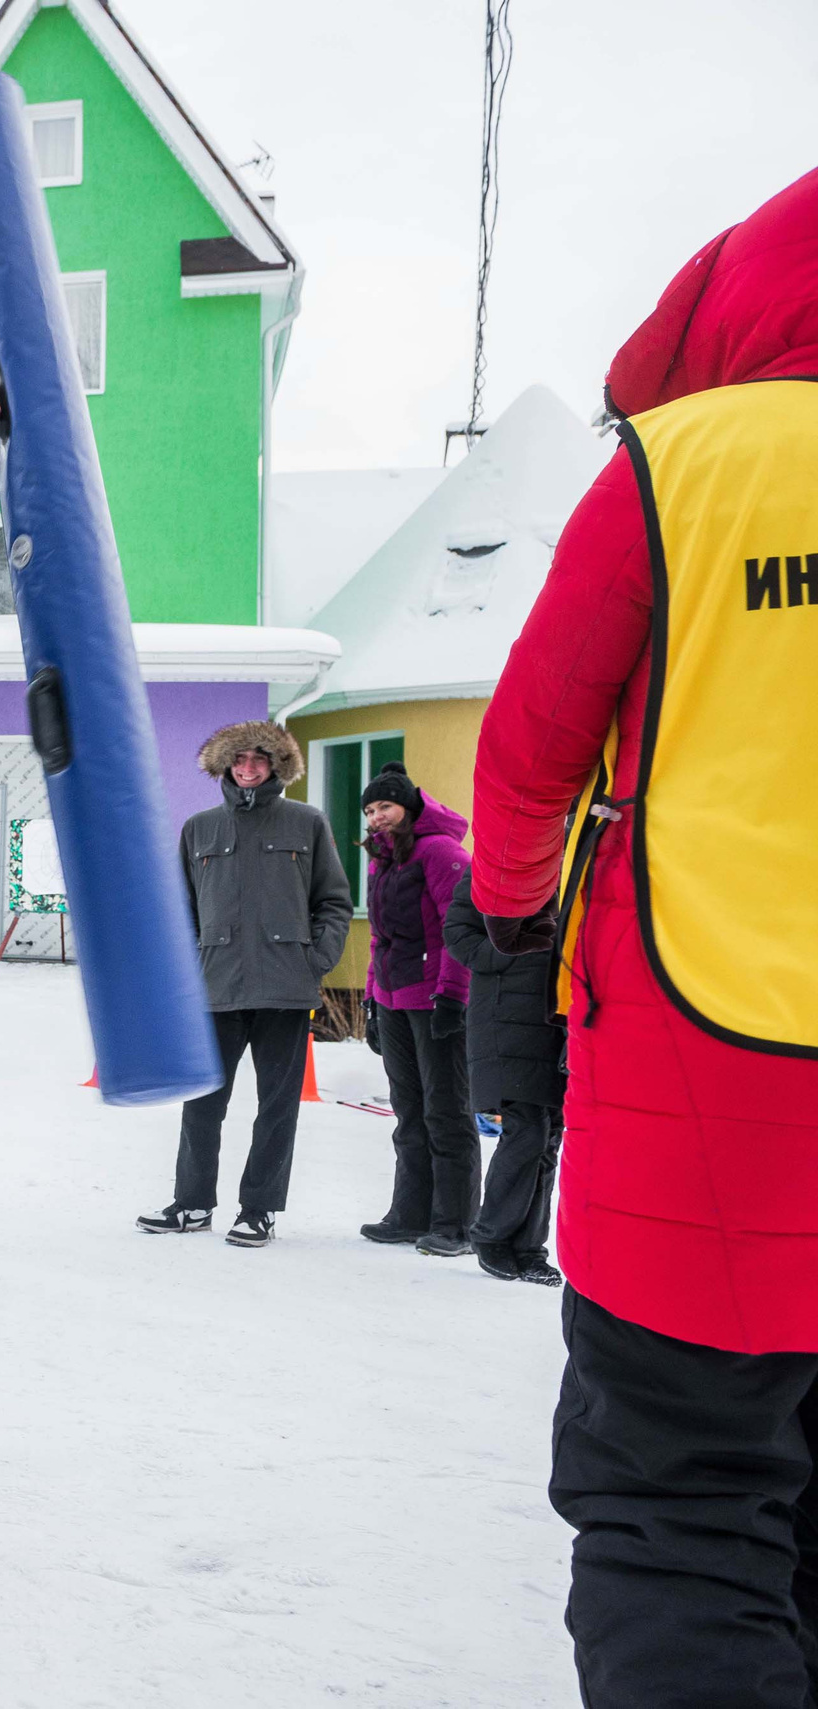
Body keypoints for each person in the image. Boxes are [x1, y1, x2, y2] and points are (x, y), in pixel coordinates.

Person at [470, 168, 818, 1706]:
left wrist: (510, 915)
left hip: (705, 1085)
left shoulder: (682, 468)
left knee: (682, 1513)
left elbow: (531, 746)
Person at [137, 721, 351, 1247]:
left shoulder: (308, 823)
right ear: (226, 767)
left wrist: (315, 960)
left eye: (259, 759)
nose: (249, 768)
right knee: (202, 1102)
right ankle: (191, 1204)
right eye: (240, 760)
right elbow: (180, 910)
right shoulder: (200, 829)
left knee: (277, 1106)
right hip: (216, 989)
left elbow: (334, 902)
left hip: (286, 987)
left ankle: (259, 1209)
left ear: (276, 766)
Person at [352, 762, 479, 1255]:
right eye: (369, 809)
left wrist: (453, 995)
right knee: (409, 1111)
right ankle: (410, 1214)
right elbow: (380, 938)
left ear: (408, 806)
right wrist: (370, 997)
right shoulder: (381, 861)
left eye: (385, 805)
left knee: (446, 1110)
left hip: (434, 1000)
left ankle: (456, 1224)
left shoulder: (441, 852)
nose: (377, 816)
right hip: (393, 999)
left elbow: (460, 928)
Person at [440, 873, 563, 1286]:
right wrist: (506, 957)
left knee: (548, 1138)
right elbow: (457, 928)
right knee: (527, 1130)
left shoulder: (585, 854)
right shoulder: (505, 860)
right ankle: (491, 1236)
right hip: (505, 1015)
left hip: (559, 1015)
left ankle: (529, 1248)